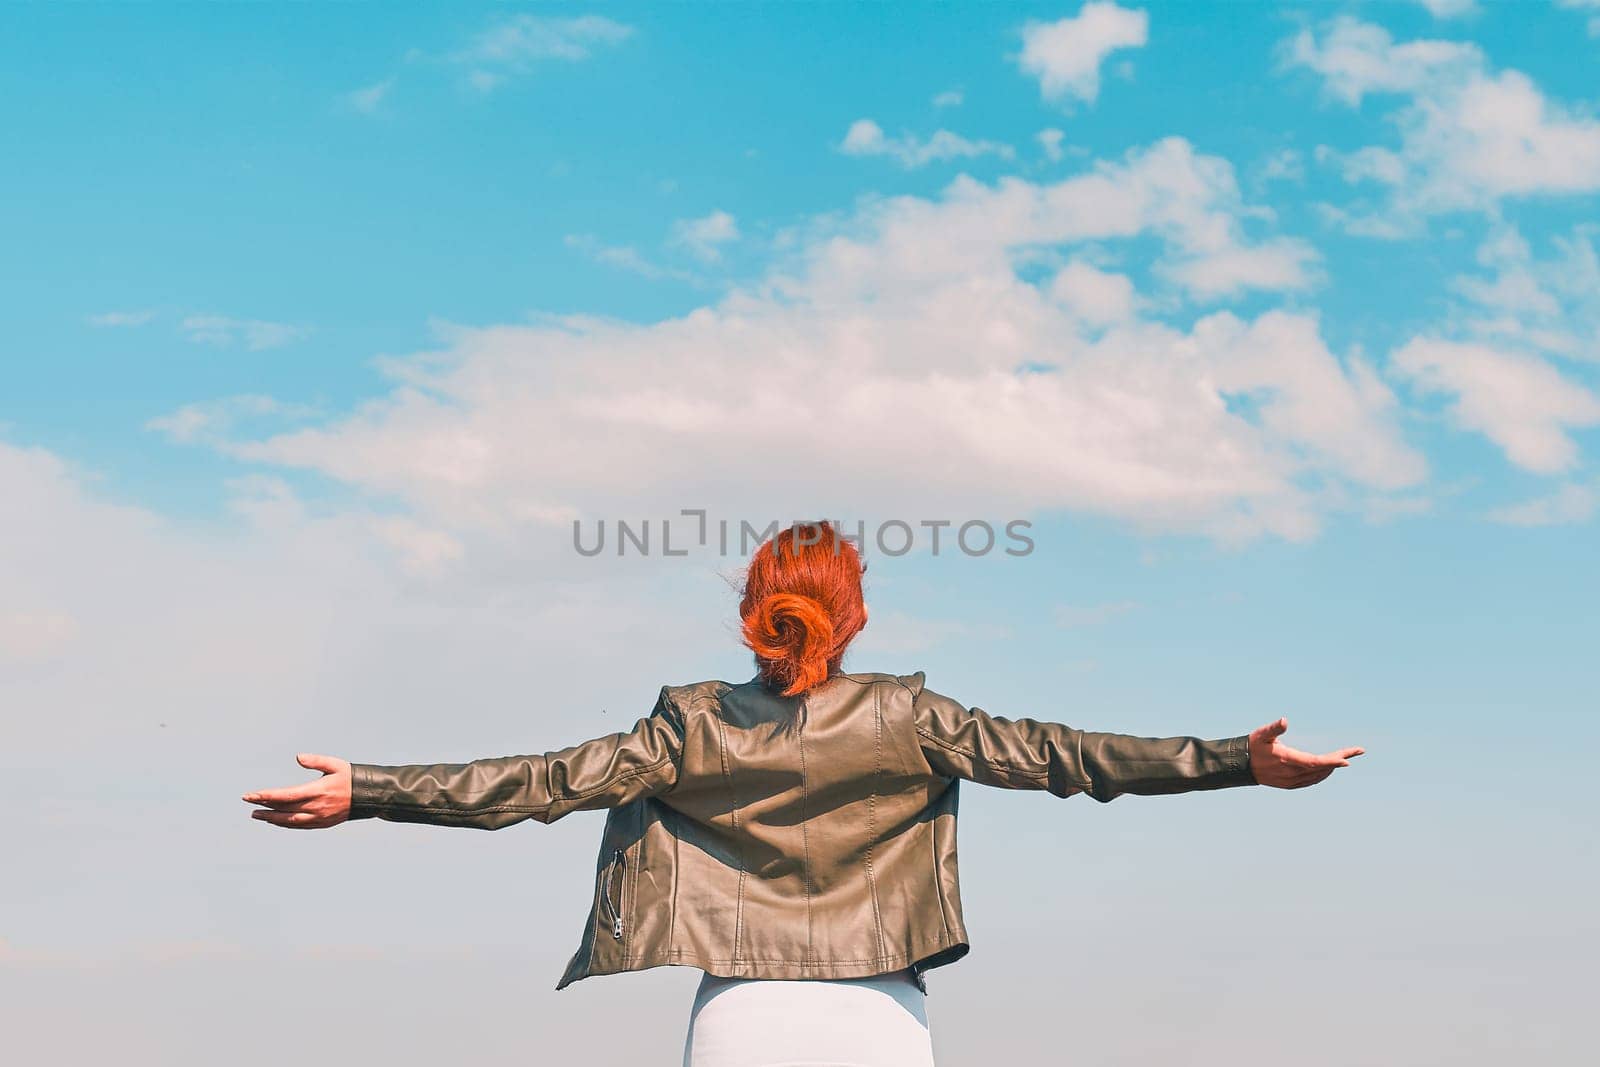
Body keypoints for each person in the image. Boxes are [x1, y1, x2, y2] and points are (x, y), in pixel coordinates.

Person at [244, 520, 1365, 1066]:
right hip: (880, 1021)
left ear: (755, 606)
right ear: (855, 611)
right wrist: (1235, 759)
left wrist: (374, 790)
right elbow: (1069, 757)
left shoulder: (688, 723)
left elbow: (540, 782)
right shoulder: (913, 717)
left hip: (738, 1018)